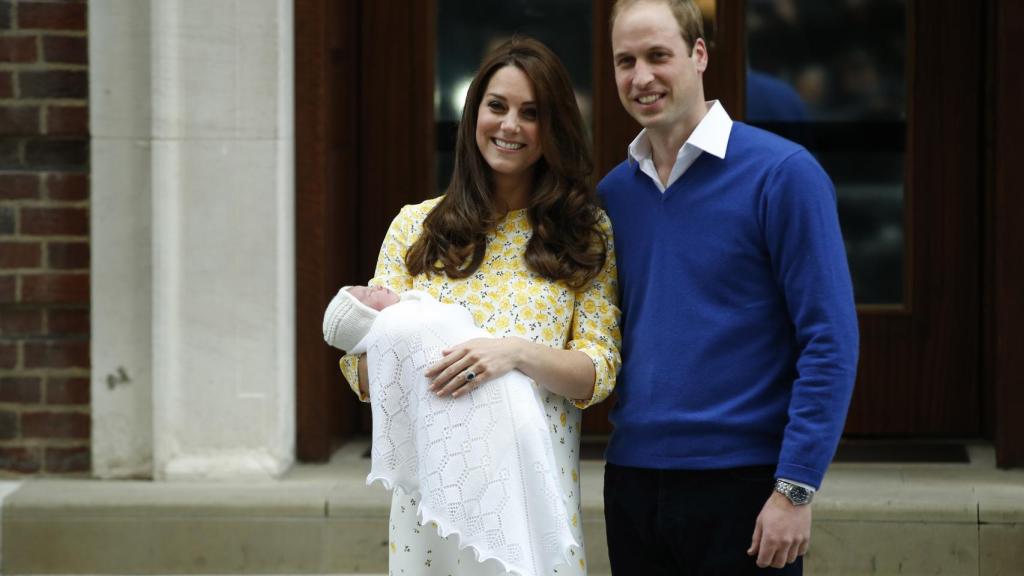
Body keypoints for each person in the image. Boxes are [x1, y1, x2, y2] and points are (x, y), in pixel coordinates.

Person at [338, 37, 621, 576]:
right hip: (431, 506)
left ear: (554, 127)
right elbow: (364, 371)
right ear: (474, 115)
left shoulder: (584, 235)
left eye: (530, 113)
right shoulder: (415, 228)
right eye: (497, 106)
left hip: (531, 495)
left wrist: (513, 354)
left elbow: (597, 372)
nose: (510, 125)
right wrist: (413, 349)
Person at [598, 1, 859, 574]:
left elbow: (829, 341)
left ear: (699, 55)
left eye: (657, 55)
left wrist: (795, 489)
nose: (641, 77)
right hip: (633, 484)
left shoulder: (783, 175)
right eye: (625, 60)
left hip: (745, 488)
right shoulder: (614, 196)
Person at [323, 285, 578, 576]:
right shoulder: (408, 255)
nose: (374, 287)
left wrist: (516, 352)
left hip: (531, 446)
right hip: (436, 487)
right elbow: (360, 364)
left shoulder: (584, 246)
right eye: (365, 295)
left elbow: (601, 367)